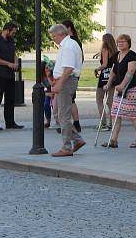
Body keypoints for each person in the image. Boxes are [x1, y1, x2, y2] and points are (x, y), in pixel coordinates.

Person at [49, 24, 86, 157]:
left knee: (63, 115)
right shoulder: (68, 45)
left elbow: (69, 68)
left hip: (66, 81)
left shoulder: (69, 46)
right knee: (59, 114)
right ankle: (77, 140)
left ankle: (66, 147)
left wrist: (59, 83)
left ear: (61, 34)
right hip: (64, 80)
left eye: (54, 36)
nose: (53, 39)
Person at [104, 34, 136, 148]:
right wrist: (108, 84)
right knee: (115, 114)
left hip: (132, 89)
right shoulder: (117, 55)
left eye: (123, 41)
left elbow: (130, 71)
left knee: (134, 115)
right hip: (120, 89)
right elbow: (113, 71)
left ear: (128, 43)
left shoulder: (131, 55)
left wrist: (122, 85)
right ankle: (113, 140)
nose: (120, 43)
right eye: (119, 42)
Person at [0, 22, 23, 130]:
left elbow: (14, 54)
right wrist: (8, 64)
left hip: (10, 74)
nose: (14, 34)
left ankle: (10, 122)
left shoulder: (11, 41)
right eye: (13, 32)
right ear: (7, 30)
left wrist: (16, 62)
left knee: (10, 99)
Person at [61, 20, 83, 133]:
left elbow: (71, 63)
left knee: (69, 101)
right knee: (70, 100)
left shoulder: (71, 42)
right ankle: (74, 123)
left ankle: (74, 123)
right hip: (73, 74)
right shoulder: (74, 41)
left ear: (69, 28)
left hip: (71, 75)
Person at [95, 33, 118, 131]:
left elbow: (104, 64)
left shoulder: (105, 49)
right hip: (112, 77)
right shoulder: (116, 52)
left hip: (104, 76)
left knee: (99, 100)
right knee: (110, 101)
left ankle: (103, 122)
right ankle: (111, 123)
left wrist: (96, 69)